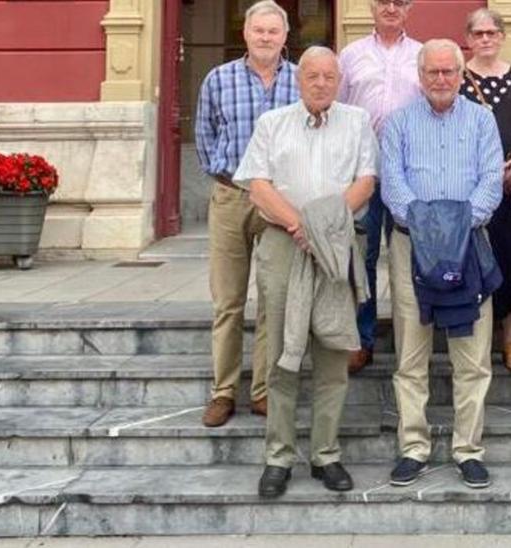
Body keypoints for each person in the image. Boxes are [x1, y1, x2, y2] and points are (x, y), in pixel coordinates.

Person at [236, 46, 377, 497]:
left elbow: (366, 181)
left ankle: (326, 455)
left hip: (336, 245)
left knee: (333, 353)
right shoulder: (271, 124)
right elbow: (258, 185)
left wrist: (323, 227)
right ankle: (278, 456)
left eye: (328, 76)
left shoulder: (357, 122)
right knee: (280, 352)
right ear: (299, 81)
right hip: (284, 243)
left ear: (339, 81)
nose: (320, 83)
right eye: (312, 75)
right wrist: (300, 225)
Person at [380, 39, 504, 490]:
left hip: (469, 245)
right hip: (410, 247)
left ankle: (468, 450)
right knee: (411, 354)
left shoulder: (481, 120)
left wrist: (454, 226)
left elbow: (492, 181)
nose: (440, 80)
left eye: (449, 71)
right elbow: (393, 186)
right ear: (420, 75)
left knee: (471, 358)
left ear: (460, 73)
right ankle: (413, 447)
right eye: (432, 72)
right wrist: (431, 229)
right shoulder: (398, 123)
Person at [194, 0, 299, 427]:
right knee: (229, 300)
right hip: (231, 197)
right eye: (258, 30)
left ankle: (264, 391)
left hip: (279, 200)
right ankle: (223, 391)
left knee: (274, 299)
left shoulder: (299, 80)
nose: (266, 38)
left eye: (273, 31)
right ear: (246, 34)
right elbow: (204, 138)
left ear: (285, 37)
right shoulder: (218, 80)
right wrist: (228, 180)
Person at [338, 0, 423, 374]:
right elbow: (336, 110)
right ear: (372, 7)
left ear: (409, 8)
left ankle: (413, 338)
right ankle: (362, 338)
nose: (391, 8)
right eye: (383, 1)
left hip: (410, 173)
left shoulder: (422, 54)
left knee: (410, 259)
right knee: (363, 258)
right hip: (363, 172)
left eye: (399, 2)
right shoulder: (351, 55)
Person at [459, 8, 511, 373]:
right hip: (472, 188)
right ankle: (477, 338)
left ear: (502, 36)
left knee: (510, 259)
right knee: (477, 260)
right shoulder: (457, 78)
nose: (485, 39)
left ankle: (510, 339)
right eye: (478, 34)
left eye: (492, 32)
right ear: (468, 38)